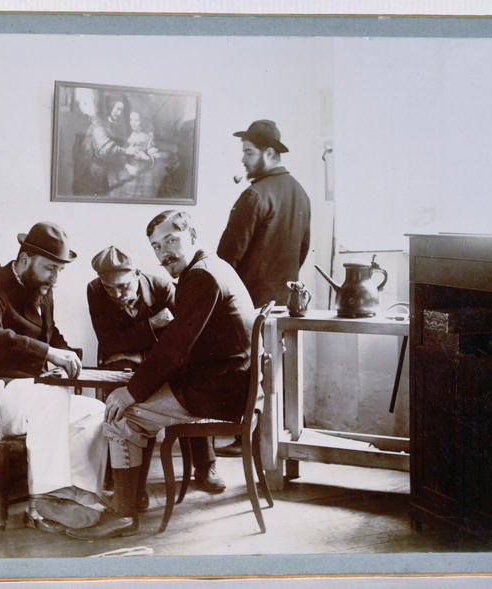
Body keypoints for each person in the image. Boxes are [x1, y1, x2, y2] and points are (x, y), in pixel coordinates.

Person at [67, 211, 255, 540]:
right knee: (132, 402)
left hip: (217, 390)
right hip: (227, 382)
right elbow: (177, 346)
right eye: (156, 246)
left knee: (119, 414)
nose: (163, 252)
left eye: (171, 240)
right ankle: (131, 498)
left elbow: (175, 349)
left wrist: (133, 392)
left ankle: (124, 514)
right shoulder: (212, 266)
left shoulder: (200, 277)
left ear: (192, 235)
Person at [0, 221, 107, 534]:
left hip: (23, 394)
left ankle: (81, 495)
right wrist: (47, 353)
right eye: (50, 269)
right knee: (52, 399)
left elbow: (52, 335)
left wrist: (64, 354)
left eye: (60, 271)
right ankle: (47, 500)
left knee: (94, 411)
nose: (55, 278)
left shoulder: (41, 289)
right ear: (24, 258)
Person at [86, 245, 226, 504]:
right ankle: (125, 479)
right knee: (123, 400)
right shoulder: (94, 290)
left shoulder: (163, 287)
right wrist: (151, 325)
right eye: (110, 288)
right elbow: (109, 342)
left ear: (137, 274)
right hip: (123, 358)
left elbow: (185, 338)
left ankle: (205, 466)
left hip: (161, 358)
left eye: (124, 286)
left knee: (187, 379)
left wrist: (145, 347)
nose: (117, 295)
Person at [215, 119, 311, 457]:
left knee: (250, 371)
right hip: (283, 304)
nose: (242, 159)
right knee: (275, 370)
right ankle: (272, 439)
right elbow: (302, 249)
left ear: (269, 153)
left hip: (248, 303)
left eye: (248, 152)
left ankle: (249, 436)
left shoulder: (254, 195)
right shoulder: (300, 192)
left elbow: (226, 259)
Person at [74, 99, 135, 195]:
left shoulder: (115, 126)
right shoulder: (98, 125)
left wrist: (127, 162)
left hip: (106, 170)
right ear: (110, 108)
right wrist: (126, 151)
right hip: (92, 171)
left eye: (121, 110)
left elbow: (120, 147)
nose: (119, 113)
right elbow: (106, 149)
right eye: (117, 109)